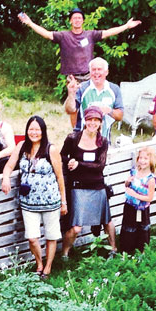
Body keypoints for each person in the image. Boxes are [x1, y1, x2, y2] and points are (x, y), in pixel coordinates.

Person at [1, 115, 67, 277]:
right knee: (32, 237)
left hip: (50, 201)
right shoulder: (22, 146)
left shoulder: (51, 149)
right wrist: (5, 178)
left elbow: (60, 176)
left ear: (43, 131)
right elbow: (9, 166)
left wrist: (63, 201)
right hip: (28, 202)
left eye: (37, 129)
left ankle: (48, 267)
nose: (34, 133)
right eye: (31, 129)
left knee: (51, 235)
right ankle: (39, 263)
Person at [16, 7, 141, 80]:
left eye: (79, 18)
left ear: (83, 21)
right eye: (74, 18)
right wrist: (30, 23)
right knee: (73, 108)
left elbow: (108, 32)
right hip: (72, 78)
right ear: (70, 21)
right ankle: (75, 127)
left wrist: (126, 26)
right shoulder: (63, 36)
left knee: (90, 107)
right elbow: (47, 34)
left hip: (89, 76)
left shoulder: (90, 35)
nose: (77, 20)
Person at [60, 105, 115, 258]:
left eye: (96, 120)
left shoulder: (102, 141)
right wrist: (70, 160)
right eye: (90, 119)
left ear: (100, 123)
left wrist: (79, 164)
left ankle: (113, 249)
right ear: (85, 120)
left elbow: (100, 165)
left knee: (107, 220)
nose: (93, 123)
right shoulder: (73, 138)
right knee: (76, 227)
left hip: (97, 186)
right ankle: (64, 254)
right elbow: (62, 156)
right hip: (78, 187)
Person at [64, 58, 123, 138]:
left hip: (104, 139)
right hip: (82, 138)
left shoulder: (114, 89)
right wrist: (71, 94)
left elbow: (120, 116)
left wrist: (108, 110)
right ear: (90, 72)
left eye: (99, 69)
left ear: (106, 72)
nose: (96, 72)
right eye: (93, 70)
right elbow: (70, 110)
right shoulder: (82, 88)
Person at [119, 145, 156, 254]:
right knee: (128, 227)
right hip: (129, 205)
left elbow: (150, 197)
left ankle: (141, 251)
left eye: (146, 158)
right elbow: (128, 185)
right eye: (141, 158)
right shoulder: (134, 172)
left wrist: (135, 195)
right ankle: (126, 251)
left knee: (141, 229)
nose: (142, 161)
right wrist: (127, 182)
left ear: (151, 160)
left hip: (141, 209)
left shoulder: (151, 179)